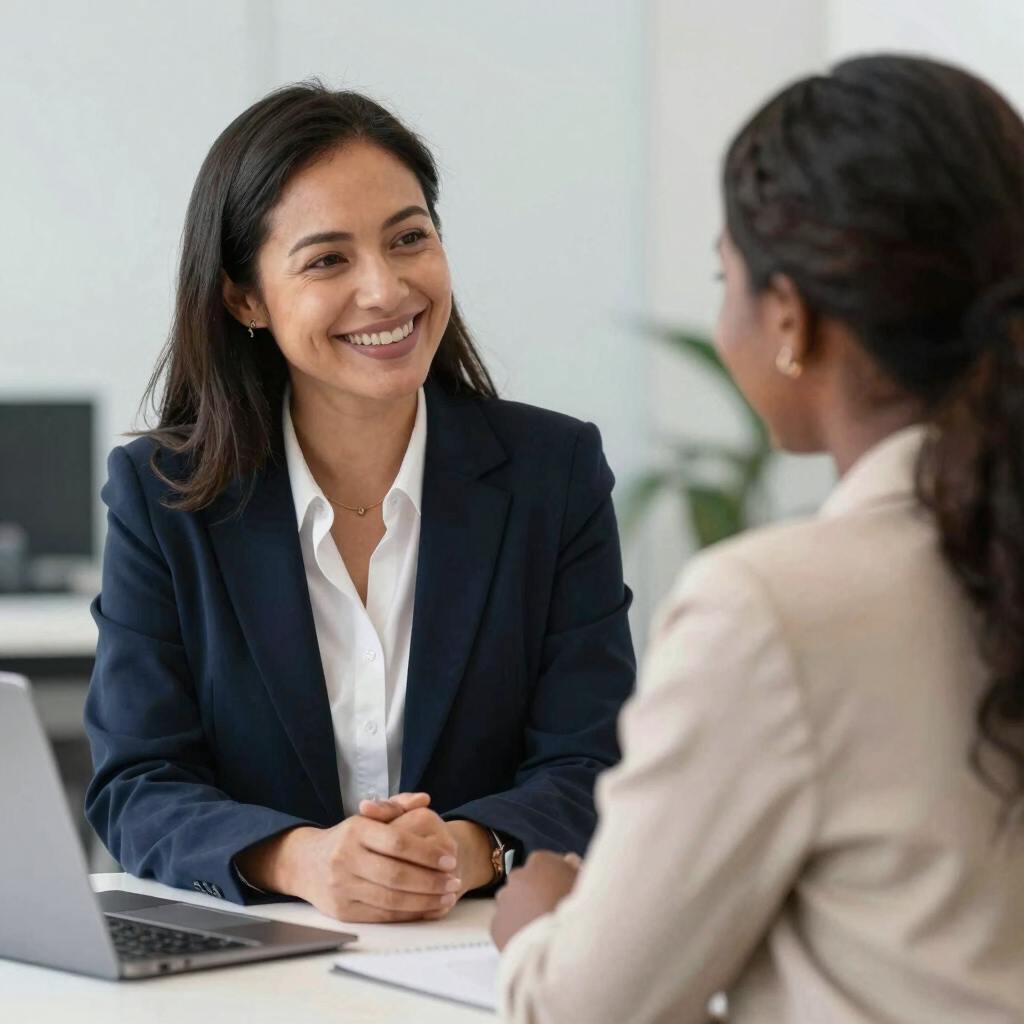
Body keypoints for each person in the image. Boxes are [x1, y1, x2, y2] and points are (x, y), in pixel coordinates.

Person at [491, 55, 1024, 1023]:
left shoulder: (775, 607)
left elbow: (587, 1007)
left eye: (722, 275)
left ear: (787, 315)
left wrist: (535, 924)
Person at [83, 84, 635, 924]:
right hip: (261, 961)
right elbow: (136, 784)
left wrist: (466, 847)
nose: (385, 290)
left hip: (484, 953)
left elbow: (592, 760)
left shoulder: (553, 473)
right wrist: (301, 858)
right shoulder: (162, 496)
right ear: (245, 299)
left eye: (409, 239)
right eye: (327, 259)